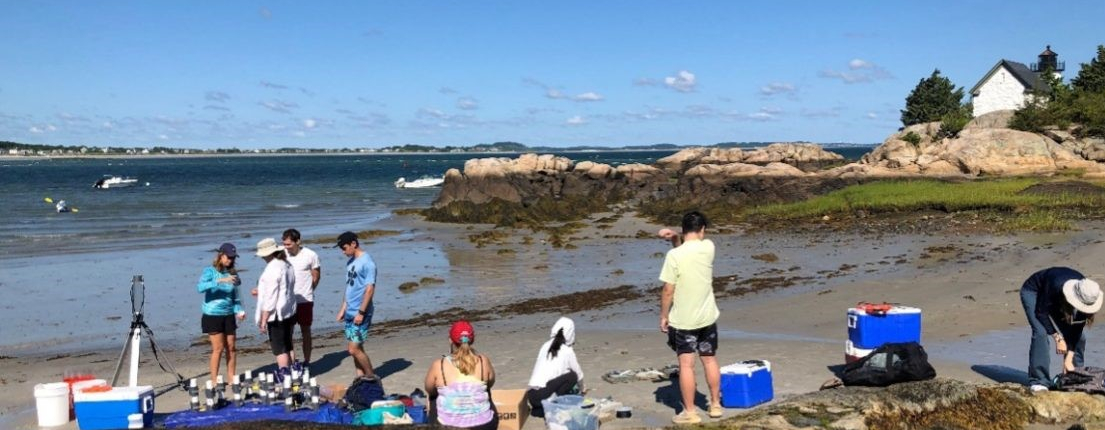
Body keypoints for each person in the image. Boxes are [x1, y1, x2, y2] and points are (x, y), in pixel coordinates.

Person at [658, 211, 722, 424]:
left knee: (686, 365)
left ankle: (690, 412)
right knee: (709, 359)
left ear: (683, 230)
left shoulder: (674, 256)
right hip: (707, 316)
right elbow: (689, 245)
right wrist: (676, 237)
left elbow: (668, 289)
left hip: (684, 320)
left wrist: (664, 315)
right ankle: (714, 405)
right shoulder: (708, 247)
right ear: (702, 229)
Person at [1020, 267, 1102, 392]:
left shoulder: (1088, 293)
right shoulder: (1055, 283)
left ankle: (1073, 376)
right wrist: (1058, 338)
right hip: (1034, 292)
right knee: (1041, 333)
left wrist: (1068, 359)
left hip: (1058, 300)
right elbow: (1041, 312)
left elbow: (1076, 329)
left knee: (1081, 338)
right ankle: (1039, 381)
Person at [424, 320, 497, 430]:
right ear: (472, 340)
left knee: (433, 395)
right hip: (484, 425)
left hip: (449, 425)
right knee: (485, 388)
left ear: (450, 340)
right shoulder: (483, 361)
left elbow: (429, 389)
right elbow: (490, 383)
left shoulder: (439, 365)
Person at [196, 243, 245, 383]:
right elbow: (200, 287)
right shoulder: (209, 271)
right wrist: (219, 280)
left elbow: (235, 295)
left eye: (233, 258)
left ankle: (231, 378)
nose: (230, 260)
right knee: (218, 348)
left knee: (232, 347)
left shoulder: (233, 272)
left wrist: (239, 310)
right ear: (221, 255)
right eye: (228, 257)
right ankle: (214, 380)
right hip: (212, 315)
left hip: (228, 314)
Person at [254, 237, 297, 381]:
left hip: (277, 314)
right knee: (288, 344)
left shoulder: (273, 268)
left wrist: (264, 318)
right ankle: (293, 372)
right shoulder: (286, 264)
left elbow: (271, 296)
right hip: (289, 310)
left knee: (279, 348)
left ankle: (285, 376)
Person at [335, 231, 376, 377]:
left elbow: (370, 289)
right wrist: (343, 308)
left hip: (361, 312)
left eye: (344, 247)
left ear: (353, 244)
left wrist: (361, 312)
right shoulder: (350, 262)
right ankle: (360, 376)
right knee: (357, 347)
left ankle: (371, 376)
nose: (343, 251)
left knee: (353, 349)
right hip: (350, 311)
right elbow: (349, 287)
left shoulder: (367, 263)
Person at [526, 317, 584, 418]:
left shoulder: (545, 345)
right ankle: (551, 403)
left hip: (531, 396)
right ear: (571, 333)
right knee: (572, 376)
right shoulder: (567, 350)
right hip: (543, 394)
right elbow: (579, 374)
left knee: (564, 376)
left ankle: (541, 408)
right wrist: (582, 389)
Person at [282, 228, 321, 370]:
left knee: (306, 331)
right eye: (284, 244)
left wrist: (309, 290)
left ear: (298, 241)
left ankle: (307, 361)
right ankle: (291, 362)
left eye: (289, 244)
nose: (286, 247)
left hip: (305, 300)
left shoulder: (310, 255)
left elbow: (316, 276)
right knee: (288, 332)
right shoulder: (282, 255)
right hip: (288, 300)